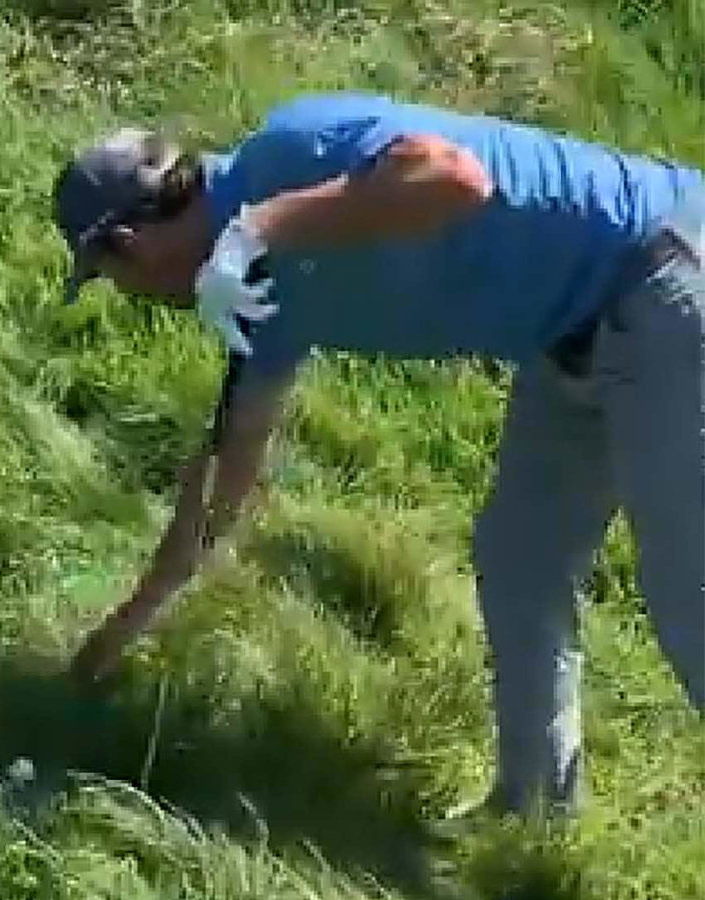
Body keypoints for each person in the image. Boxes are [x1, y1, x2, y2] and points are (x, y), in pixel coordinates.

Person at [52, 91, 705, 819]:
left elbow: (455, 179)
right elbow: (228, 465)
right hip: (573, 338)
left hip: (668, 278)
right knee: (521, 561)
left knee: (690, 592)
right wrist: (124, 629)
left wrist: (256, 229)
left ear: (129, 246)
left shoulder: (287, 155)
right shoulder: (255, 299)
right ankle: (535, 818)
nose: (131, 293)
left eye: (111, 277)